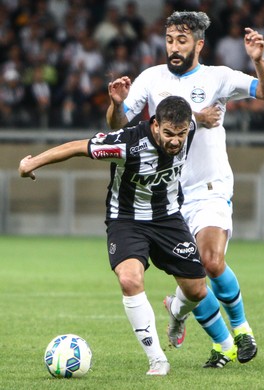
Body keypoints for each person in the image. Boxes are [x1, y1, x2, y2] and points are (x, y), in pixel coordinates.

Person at [106, 11, 264, 368]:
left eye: (182, 41)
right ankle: (206, 331)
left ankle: (242, 329)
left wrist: (259, 62)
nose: (174, 47)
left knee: (211, 261)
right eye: (169, 40)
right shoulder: (151, 79)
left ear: (199, 44)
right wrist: (115, 104)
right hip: (167, 197)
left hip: (210, 186)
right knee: (191, 280)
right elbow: (119, 127)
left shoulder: (218, 77)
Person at [19, 95, 210, 376]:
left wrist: (205, 116)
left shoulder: (189, 127)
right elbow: (77, 147)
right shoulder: (127, 143)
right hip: (127, 220)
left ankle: (177, 312)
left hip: (168, 219)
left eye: (180, 134)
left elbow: (197, 119)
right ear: (155, 125)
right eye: (168, 133)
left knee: (197, 290)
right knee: (130, 279)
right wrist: (32, 163)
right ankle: (158, 359)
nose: (175, 141)